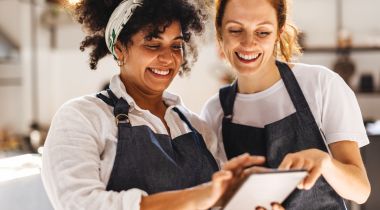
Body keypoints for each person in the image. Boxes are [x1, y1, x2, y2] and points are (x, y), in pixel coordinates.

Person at [41, 0, 284, 210]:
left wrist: (247, 198)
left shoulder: (197, 127)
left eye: (176, 46)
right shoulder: (83, 117)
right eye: (153, 44)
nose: (168, 58)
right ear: (119, 50)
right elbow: (80, 204)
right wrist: (201, 196)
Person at [201, 0, 371, 209]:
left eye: (262, 32)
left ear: (279, 33)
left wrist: (325, 163)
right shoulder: (214, 111)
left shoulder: (321, 85)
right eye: (235, 30)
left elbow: (360, 191)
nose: (248, 43)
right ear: (220, 33)